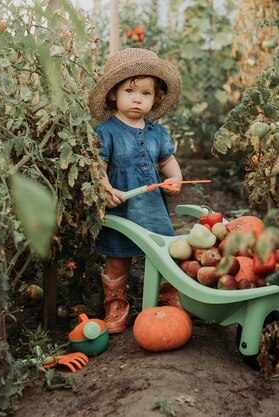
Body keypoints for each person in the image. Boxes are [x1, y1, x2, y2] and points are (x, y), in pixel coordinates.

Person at [87, 48, 183, 334]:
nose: (137, 98)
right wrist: (104, 188)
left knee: (165, 252)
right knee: (117, 258)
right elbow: (98, 166)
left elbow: (167, 161)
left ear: (156, 98)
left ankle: (167, 298)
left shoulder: (157, 132)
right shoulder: (107, 131)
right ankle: (116, 304)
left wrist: (175, 178)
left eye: (146, 93)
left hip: (152, 205)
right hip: (121, 205)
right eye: (129, 90)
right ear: (113, 94)